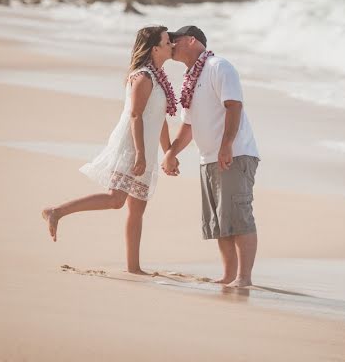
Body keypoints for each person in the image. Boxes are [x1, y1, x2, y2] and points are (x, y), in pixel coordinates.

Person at [41, 26, 178, 274]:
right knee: (116, 199)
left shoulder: (157, 77)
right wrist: (140, 153)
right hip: (132, 147)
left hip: (145, 148)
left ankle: (134, 268)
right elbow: (136, 115)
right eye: (168, 42)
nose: (172, 45)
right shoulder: (144, 77)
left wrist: (169, 152)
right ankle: (56, 211)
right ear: (155, 48)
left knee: (137, 208)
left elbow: (160, 119)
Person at [162, 26, 261, 288]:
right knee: (220, 221)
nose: (171, 44)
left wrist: (226, 145)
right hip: (208, 158)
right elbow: (189, 126)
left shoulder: (219, 66)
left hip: (235, 154)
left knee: (239, 217)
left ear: (192, 40)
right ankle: (229, 275)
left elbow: (234, 106)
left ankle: (244, 277)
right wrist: (171, 152)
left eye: (175, 40)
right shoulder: (191, 78)